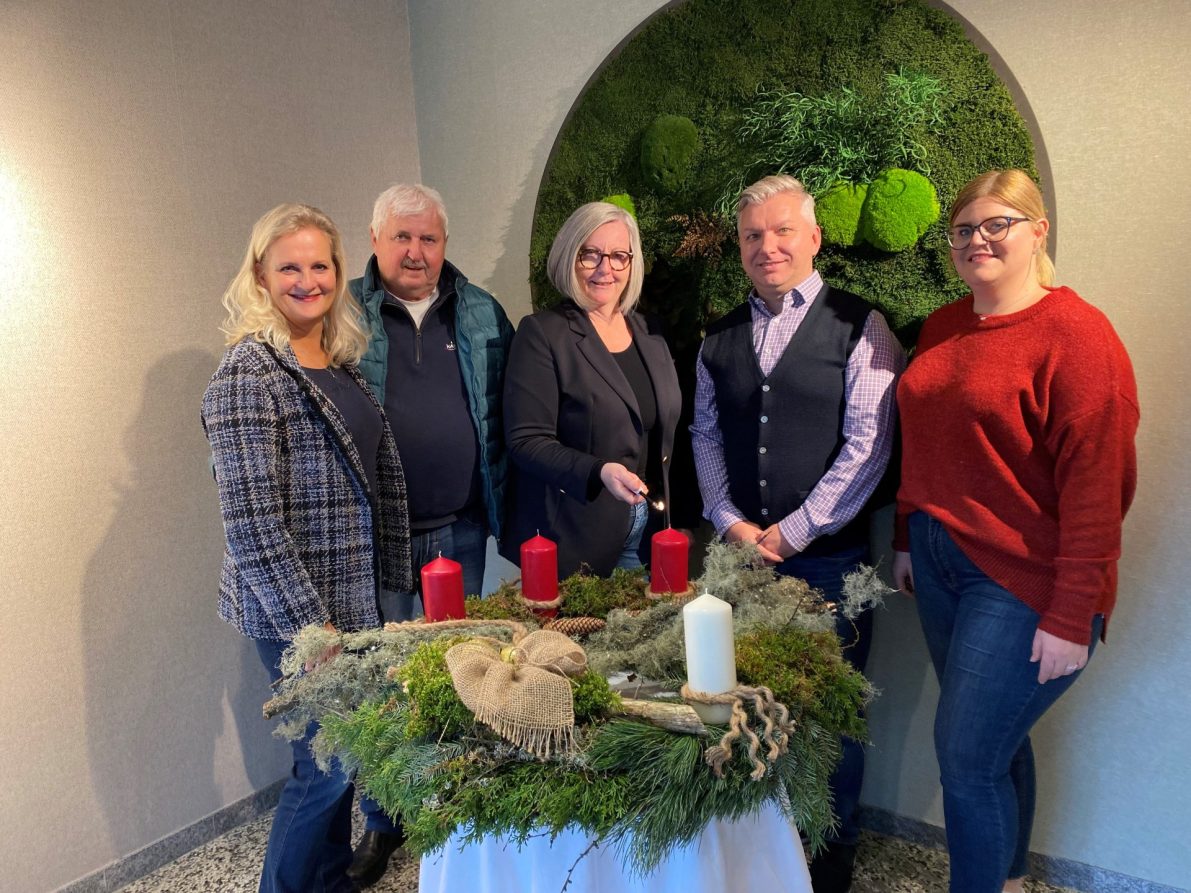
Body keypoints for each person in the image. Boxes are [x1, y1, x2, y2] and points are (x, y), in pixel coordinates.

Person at [891, 170, 1138, 893]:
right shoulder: (942, 326)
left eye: (997, 224)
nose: (978, 240)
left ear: (1037, 230)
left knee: (966, 760)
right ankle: (1009, 880)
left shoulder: (1077, 336)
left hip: (1024, 581)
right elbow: (925, 443)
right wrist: (906, 535)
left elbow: (1097, 490)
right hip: (938, 561)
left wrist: (1072, 613)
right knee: (994, 741)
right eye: (964, 229)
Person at [691, 174, 904, 893]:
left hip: (828, 563)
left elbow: (869, 444)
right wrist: (728, 519)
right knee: (741, 707)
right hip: (738, 562)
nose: (767, 245)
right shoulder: (718, 336)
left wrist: (792, 532)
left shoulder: (861, 325)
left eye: (782, 230)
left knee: (831, 715)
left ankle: (829, 857)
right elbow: (704, 434)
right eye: (752, 235)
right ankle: (756, 854)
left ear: (813, 237)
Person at [202, 203, 412, 893]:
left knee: (341, 759)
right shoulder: (248, 372)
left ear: (338, 273)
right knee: (325, 767)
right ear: (260, 276)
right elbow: (252, 524)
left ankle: (327, 880)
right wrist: (310, 629)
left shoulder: (338, 361)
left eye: (319, 265)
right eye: (288, 266)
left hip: (353, 596)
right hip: (296, 608)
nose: (306, 279)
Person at [348, 183, 513, 885]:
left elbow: (505, 410)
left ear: (444, 243)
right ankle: (385, 822)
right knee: (386, 681)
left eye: (429, 238)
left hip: (460, 531)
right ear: (375, 240)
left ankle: (455, 805)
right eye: (402, 237)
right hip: (379, 537)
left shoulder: (480, 311)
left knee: (461, 672)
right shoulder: (344, 313)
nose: (415, 252)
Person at [500, 201, 683, 578]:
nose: (606, 268)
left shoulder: (651, 332)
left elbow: (667, 431)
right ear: (569, 257)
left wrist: (681, 520)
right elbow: (527, 441)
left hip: (648, 533)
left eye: (618, 256)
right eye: (590, 254)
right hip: (575, 537)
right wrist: (598, 471)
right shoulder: (543, 334)